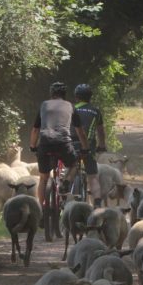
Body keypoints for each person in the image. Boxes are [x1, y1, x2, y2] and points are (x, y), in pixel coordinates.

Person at [29, 81, 89, 209]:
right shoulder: (70, 106)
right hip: (63, 144)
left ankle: (40, 208)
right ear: (64, 94)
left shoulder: (44, 105)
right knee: (74, 165)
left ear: (51, 94)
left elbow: (35, 130)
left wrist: (32, 146)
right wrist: (85, 148)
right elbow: (80, 132)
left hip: (45, 143)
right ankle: (66, 183)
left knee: (43, 178)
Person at [72, 83, 109, 207]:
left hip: (70, 144)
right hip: (88, 146)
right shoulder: (96, 111)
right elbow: (100, 132)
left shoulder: (71, 108)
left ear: (76, 97)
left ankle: (62, 192)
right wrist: (102, 146)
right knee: (92, 176)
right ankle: (97, 203)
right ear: (90, 97)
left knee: (66, 169)